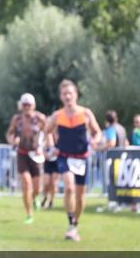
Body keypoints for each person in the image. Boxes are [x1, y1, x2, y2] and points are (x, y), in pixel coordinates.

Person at [44, 80, 104, 242]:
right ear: (61, 97)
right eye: (64, 94)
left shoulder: (86, 113)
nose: (68, 96)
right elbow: (47, 132)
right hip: (64, 156)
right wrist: (51, 146)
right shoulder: (57, 116)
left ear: (76, 95)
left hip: (82, 158)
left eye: (70, 93)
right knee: (69, 187)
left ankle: (74, 226)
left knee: (80, 197)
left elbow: (97, 132)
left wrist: (94, 141)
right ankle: (71, 224)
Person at [6, 93, 48, 224]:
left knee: (36, 188)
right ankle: (29, 214)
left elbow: (48, 133)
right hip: (22, 153)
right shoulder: (17, 119)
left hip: (36, 155)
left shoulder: (40, 118)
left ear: (33, 105)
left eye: (29, 104)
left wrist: (43, 146)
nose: (27, 107)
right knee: (26, 183)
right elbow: (10, 133)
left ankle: (35, 198)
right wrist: (13, 140)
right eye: (24, 104)